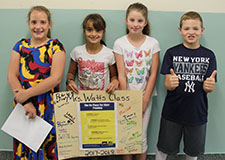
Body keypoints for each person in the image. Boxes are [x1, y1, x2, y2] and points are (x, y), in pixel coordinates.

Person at [155, 11, 217, 160]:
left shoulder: (209, 55)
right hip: (172, 112)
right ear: (180, 30)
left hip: (197, 113)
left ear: (202, 31)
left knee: (192, 152)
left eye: (195, 28)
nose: (191, 32)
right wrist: (169, 84)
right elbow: (167, 85)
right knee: (163, 148)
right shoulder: (171, 53)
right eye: (187, 28)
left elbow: (210, 85)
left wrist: (210, 86)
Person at [7, 6, 66, 160]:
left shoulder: (56, 46)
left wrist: (27, 93)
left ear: (49, 24)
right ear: (28, 24)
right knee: (24, 144)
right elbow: (12, 76)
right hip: (23, 104)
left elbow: (56, 78)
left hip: (47, 105)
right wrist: (25, 101)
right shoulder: (19, 46)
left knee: (46, 146)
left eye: (42, 22)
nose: (38, 27)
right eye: (34, 22)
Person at [66, 13, 119, 159]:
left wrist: (115, 81)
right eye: (89, 30)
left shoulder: (109, 54)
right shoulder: (77, 52)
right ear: (84, 31)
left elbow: (114, 76)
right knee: (85, 144)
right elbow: (70, 73)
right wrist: (69, 81)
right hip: (83, 105)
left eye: (98, 30)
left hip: (104, 106)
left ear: (103, 32)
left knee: (104, 146)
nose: (93, 34)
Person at [113, 3, 160, 160]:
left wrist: (145, 100)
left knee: (141, 137)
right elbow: (121, 75)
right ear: (126, 20)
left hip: (144, 96)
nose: (135, 24)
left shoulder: (153, 43)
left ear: (145, 22)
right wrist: (127, 101)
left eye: (139, 21)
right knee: (126, 136)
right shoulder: (119, 43)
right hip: (126, 97)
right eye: (132, 20)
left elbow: (153, 74)